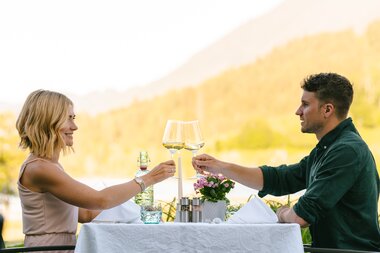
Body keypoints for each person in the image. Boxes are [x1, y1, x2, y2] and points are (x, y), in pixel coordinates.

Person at [192, 73, 380, 251]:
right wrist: (221, 167)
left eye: (305, 105)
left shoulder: (346, 151)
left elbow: (301, 216)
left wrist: (282, 214)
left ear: (327, 110)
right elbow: (281, 179)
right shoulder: (329, 148)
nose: (298, 111)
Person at [15, 90, 176, 252]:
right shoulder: (40, 169)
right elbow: (100, 200)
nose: (74, 127)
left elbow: (85, 213)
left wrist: (137, 215)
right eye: (68, 119)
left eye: (74, 118)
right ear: (48, 122)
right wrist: (149, 179)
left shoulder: (50, 166)